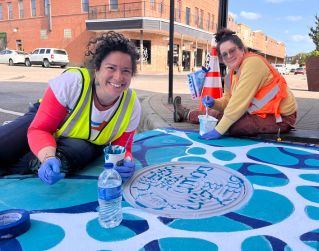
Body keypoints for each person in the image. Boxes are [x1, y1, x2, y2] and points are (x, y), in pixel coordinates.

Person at [0, 31, 141, 184]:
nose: (118, 77)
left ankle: (23, 166)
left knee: (65, 161)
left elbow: (122, 148)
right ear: (97, 68)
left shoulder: (132, 106)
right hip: (45, 120)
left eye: (126, 70)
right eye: (111, 68)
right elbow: (41, 129)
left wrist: (126, 162)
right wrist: (47, 155)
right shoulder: (73, 83)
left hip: (81, 143)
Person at [174, 28, 297, 140]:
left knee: (232, 124)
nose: (229, 56)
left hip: (281, 117)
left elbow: (238, 104)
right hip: (257, 112)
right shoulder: (230, 75)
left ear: (242, 49)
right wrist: (214, 103)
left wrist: (218, 130)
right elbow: (228, 102)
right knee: (214, 113)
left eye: (232, 51)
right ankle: (185, 113)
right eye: (225, 54)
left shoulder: (253, 63)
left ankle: (187, 115)